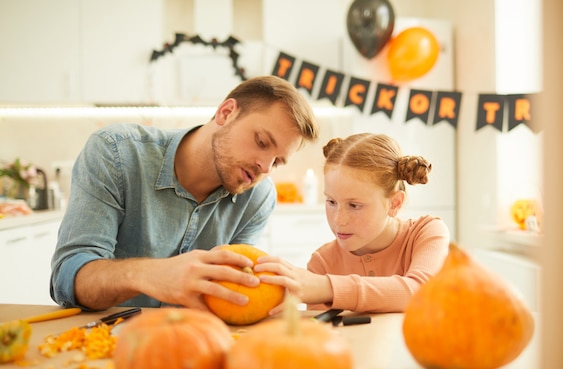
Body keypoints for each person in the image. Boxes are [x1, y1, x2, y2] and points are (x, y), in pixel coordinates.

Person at [50, 75, 320, 311]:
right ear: (226, 113)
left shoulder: (258, 198)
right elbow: (67, 279)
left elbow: (232, 291)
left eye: (277, 162)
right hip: (105, 342)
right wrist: (149, 275)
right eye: (261, 142)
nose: (265, 167)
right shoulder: (116, 153)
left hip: (194, 346)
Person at [255, 133, 450, 313]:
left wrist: (327, 287)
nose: (338, 220)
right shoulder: (322, 263)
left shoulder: (426, 233)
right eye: (331, 202)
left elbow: (419, 292)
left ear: (394, 203)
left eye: (354, 205)